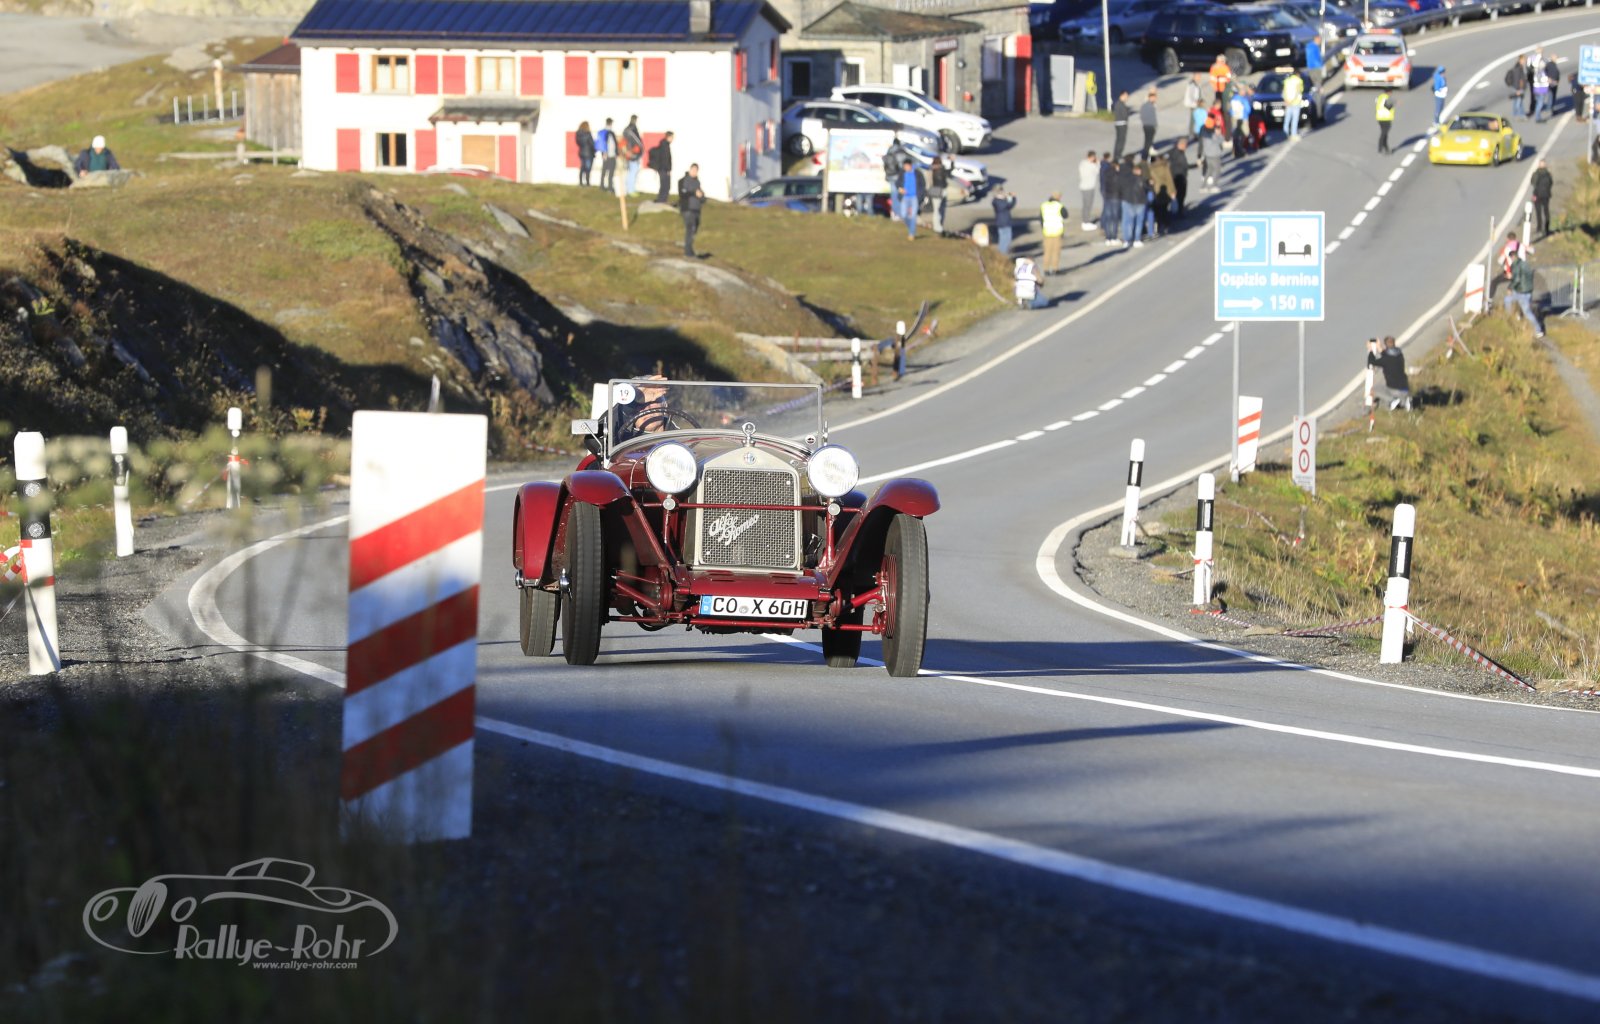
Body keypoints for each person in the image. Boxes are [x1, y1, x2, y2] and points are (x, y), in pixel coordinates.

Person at [1505, 250, 1544, 338]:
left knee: (1526, 312)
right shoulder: (1525, 264)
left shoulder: (1516, 265)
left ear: (1512, 257)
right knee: (1509, 300)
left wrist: (1510, 287)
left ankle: (1538, 330)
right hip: (1528, 291)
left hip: (1521, 291)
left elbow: (1517, 279)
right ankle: (1517, 317)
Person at [1368, 336, 1412, 411]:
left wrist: (1370, 350)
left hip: (1394, 389)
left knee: (1374, 389)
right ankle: (1404, 400)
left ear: (1385, 345)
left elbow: (1372, 361)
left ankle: (1393, 400)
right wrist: (1379, 348)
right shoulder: (1399, 354)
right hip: (1405, 387)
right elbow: (1388, 355)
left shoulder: (1385, 360)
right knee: (1402, 394)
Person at [677, 162, 704, 257]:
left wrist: (702, 197)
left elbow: (701, 194)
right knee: (690, 228)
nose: (694, 172)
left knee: (694, 229)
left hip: (696, 209)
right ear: (690, 169)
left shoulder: (697, 182)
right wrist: (694, 193)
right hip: (687, 209)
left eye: (696, 170)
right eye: (693, 170)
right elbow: (682, 194)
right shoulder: (683, 181)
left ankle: (690, 248)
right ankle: (688, 251)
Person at [1119, 160, 1146, 249]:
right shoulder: (1142, 179)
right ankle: (1137, 239)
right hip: (1140, 202)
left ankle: (1127, 240)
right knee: (1139, 222)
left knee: (1128, 222)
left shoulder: (1126, 179)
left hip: (1128, 201)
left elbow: (1121, 188)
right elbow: (1147, 189)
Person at [1146, 153, 1174, 237]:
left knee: (1157, 210)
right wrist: (1172, 191)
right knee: (1164, 209)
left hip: (1155, 191)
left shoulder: (1150, 168)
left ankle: (1159, 226)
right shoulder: (1165, 167)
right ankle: (1165, 226)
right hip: (1165, 191)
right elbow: (1169, 180)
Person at [896, 157, 923, 240]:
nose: (905, 168)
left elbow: (923, 185)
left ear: (910, 165)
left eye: (907, 166)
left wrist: (920, 195)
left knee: (913, 216)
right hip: (905, 197)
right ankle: (912, 228)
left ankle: (911, 234)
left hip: (914, 197)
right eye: (904, 166)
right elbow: (897, 183)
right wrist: (900, 188)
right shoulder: (902, 173)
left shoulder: (918, 173)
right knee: (903, 215)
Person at [1039, 191, 1066, 274]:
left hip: (1047, 232)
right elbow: (1065, 215)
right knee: (1056, 251)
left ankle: (1046, 269)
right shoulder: (1059, 206)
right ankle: (1055, 269)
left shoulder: (1044, 205)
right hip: (1057, 232)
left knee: (1047, 252)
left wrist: (1043, 227)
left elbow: (1041, 219)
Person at [1099, 157, 1121, 245]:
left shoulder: (1105, 173)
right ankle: (1114, 237)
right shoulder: (1117, 174)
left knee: (1108, 218)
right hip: (1115, 197)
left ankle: (1108, 238)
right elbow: (1119, 186)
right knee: (1115, 218)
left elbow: (1103, 185)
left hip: (1107, 197)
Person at [647, 131, 674, 203]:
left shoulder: (664, 144)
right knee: (665, 185)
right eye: (672, 137)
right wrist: (668, 169)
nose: (673, 139)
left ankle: (662, 199)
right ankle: (662, 199)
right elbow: (666, 159)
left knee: (664, 185)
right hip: (664, 169)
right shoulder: (665, 146)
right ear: (668, 137)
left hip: (662, 168)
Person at [1077, 149, 1099, 229]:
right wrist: (1097, 163)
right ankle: (1086, 222)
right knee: (1088, 205)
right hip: (1088, 187)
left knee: (1086, 205)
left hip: (1084, 187)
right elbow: (1097, 171)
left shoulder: (1082, 163)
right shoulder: (1091, 165)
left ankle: (1085, 220)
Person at [1531, 159, 1553, 239]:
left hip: (1537, 195)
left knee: (1538, 212)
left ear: (1539, 165)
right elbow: (1551, 183)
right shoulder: (1548, 174)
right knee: (1546, 211)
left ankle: (1539, 228)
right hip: (1546, 195)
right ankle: (1547, 228)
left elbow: (1533, 182)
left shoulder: (1536, 173)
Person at [622, 114, 644, 194]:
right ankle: (630, 190)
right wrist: (641, 148)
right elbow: (637, 141)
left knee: (632, 172)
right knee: (632, 172)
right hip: (633, 154)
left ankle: (630, 188)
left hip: (632, 153)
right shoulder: (631, 129)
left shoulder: (629, 129)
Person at [991, 187, 1016, 255]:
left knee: (1007, 239)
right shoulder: (997, 201)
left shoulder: (999, 201)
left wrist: (1013, 198)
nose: (1003, 194)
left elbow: (1010, 205)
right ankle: (1002, 254)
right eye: (1001, 193)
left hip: (1006, 222)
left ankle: (1003, 253)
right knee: (1004, 240)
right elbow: (1006, 205)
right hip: (1003, 223)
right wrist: (1008, 198)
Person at [1169, 138, 1190, 217]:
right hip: (1181, 177)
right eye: (1185, 146)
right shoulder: (1180, 154)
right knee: (1181, 195)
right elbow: (1185, 165)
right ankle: (1179, 211)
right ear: (1182, 145)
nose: (1186, 147)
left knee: (1174, 194)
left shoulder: (1172, 151)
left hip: (1173, 176)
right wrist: (1196, 165)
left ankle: (1174, 210)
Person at [929, 153, 949, 234]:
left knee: (937, 210)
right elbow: (948, 172)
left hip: (936, 190)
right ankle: (937, 226)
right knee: (938, 210)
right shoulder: (940, 170)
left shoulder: (932, 170)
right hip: (940, 190)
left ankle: (938, 226)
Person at [596, 118, 618, 191]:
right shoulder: (609, 133)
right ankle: (609, 187)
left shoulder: (604, 132)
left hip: (606, 154)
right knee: (610, 172)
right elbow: (611, 144)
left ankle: (603, 186)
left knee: (605, 171)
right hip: (610, 155)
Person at [1282, 70, 1305, 139]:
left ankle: (1285, 132)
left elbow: (1284, 91)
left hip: (1288, 101)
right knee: (1295, 119)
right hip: (1296, 102)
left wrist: (1286, 100)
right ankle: (1293, 134)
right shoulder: (1299, 81)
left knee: (1287, 118)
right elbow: (1299, 91)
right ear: (1298, 74)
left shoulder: (1287, 81)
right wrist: (1293, 100)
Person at [1112, 90, 1131, 161]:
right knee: (1121, 140)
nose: (1127, 98)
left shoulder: (1118, 103)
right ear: (1122, 95)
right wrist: (1127, 111)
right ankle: (1118, 155)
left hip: (1119, 123)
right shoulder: (1120, 104)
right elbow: (1124, 115)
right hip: (1122, 124)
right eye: (1126, 96)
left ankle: (1117, 154)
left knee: (1119, 140)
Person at [1183, 73, 1204, 141]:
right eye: (1198, 77)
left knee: (1196, 119)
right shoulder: (1192, 85)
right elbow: (1191, 96)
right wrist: (1197, 102)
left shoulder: (1197, 84)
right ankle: (1191, 134)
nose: (1199, 78)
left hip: (1197, 104)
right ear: (1194, 77)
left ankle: (1196, 133)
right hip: (1193, 105)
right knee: (1193, 120)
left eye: (1200, 77)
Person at [575, 121, 595, 187]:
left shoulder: (578, 133)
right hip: (589, 153)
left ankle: (581, 182)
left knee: (582, 167)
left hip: (581, 152)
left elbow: (578, 143)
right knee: (588, 168)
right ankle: (587, 183)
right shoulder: (588, 133)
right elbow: (592, 143)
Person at [1508, 55, 1529, 120]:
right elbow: (1517, 79)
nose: (1525, 61)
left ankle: (1516, 115)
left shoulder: (1519, 67)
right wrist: (1518, 90)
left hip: (1518, 88)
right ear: (1520, 60)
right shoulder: (1518, 68)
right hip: (1518, 88)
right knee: (1519, 102)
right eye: (1524, 60)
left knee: (1517, 101)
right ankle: (1521, 115)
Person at [1139, 88, 1159, 158]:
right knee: (1148, 140)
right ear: (1150, 98)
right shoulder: (1147, 105)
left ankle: (1146, 152)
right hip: (1149, 125)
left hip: (1149, 125)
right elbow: (1143, 115)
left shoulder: (1150, 105)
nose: (1155, 99)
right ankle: (1146, 153)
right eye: (1154, 98)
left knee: (1148, 140)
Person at [1375, 90, 1395, 154]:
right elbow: (1388, 106)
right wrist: (1394, 103)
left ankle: (1385, 148)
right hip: (1386, 118)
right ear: (1389, 92)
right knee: (1384, 133)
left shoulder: (1379, 97)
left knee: (1384, 133)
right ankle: (1381, 147)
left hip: (1380, 118)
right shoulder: (1387, 98)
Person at [1532, 58, 1551, 123]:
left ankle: (1538, 116)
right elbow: (1539, 79)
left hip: (1539, 88)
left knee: (1539, 103)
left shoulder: (1539, 70)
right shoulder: (1539, 71)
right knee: (1540, 103)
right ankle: (1538, 118)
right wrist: (1547, 80)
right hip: (1540, 89)